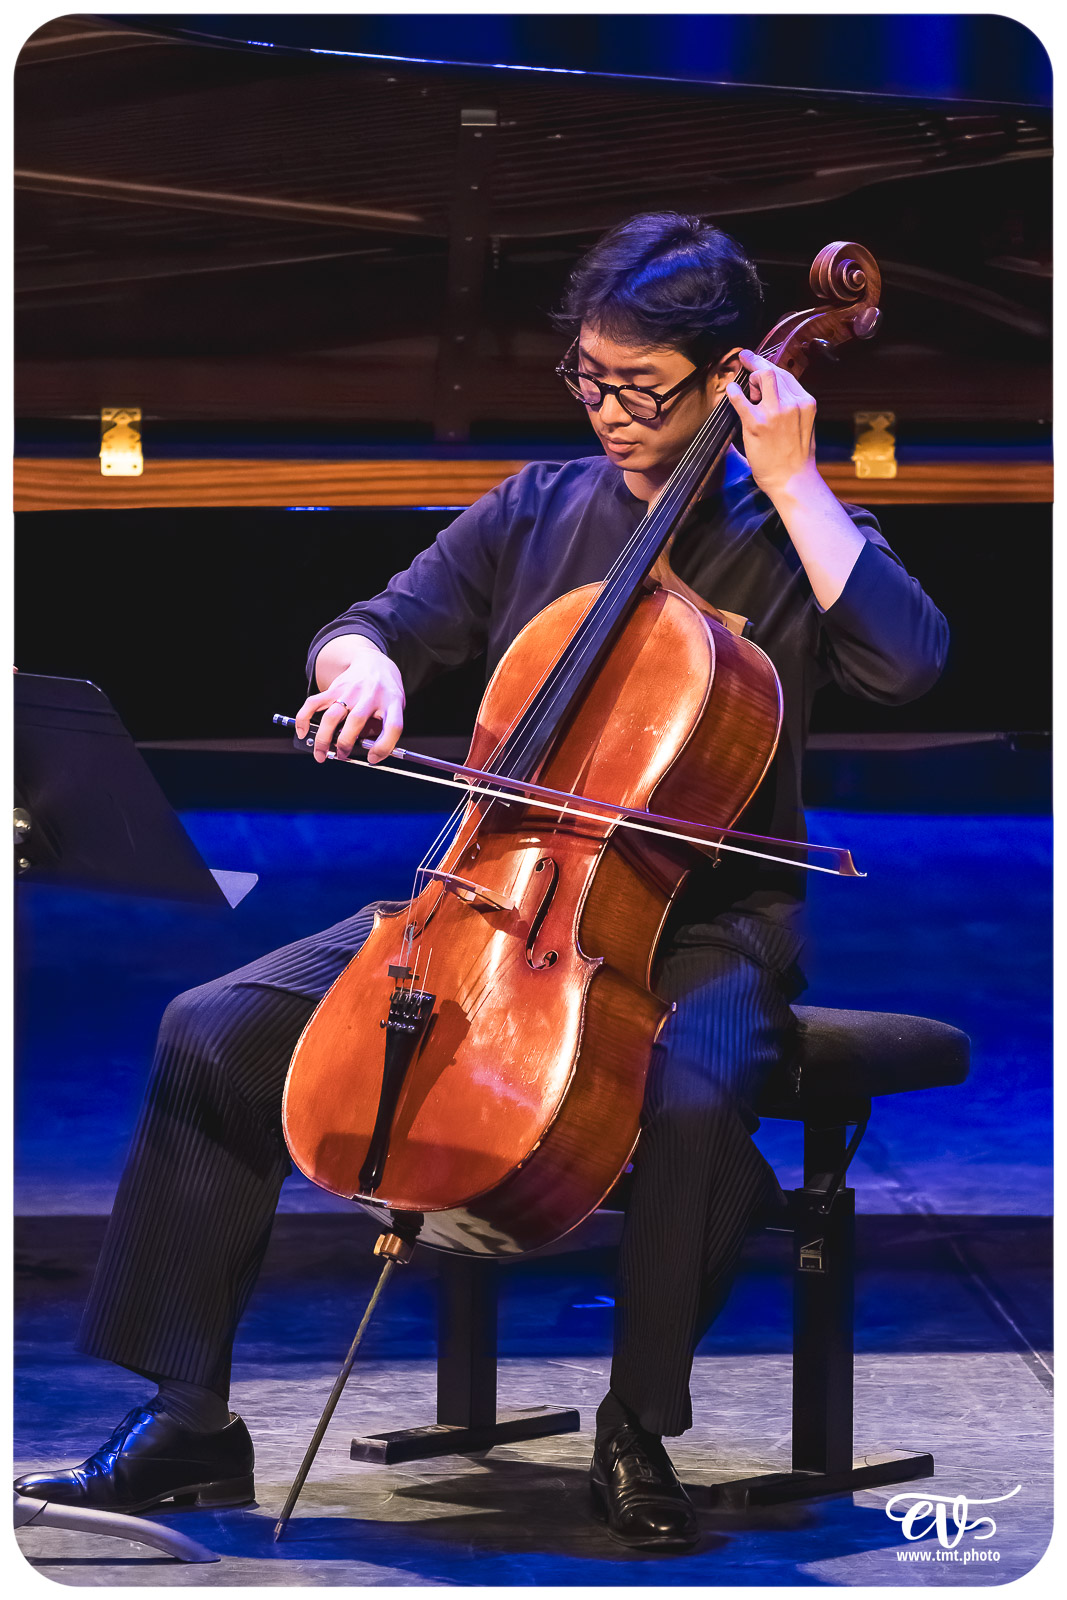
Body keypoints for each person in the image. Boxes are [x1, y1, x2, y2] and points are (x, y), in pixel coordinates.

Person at [15, 213, 947, 1553]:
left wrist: (798, 484)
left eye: (644, 386)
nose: (609, 410)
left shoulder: (789, 534)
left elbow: (909, 662)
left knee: (693, 1097)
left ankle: (636, 1427)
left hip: (702, 921)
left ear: (728, 375)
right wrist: (363, 671)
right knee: (212, 1029)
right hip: (493, 891)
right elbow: (375, 625)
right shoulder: (538, 505)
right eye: (589, 377)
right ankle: (188, 1424)